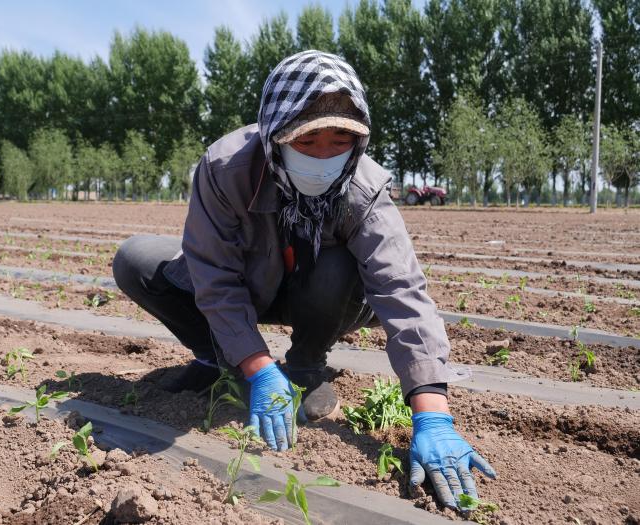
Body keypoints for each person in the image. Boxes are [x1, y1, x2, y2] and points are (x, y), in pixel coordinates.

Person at [112, 50, 496, 509]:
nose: (324, 155)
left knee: (339, 263)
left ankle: (306, 367)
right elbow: (213, 274)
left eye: (340, 140)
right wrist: (256, 367)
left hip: (323, 298)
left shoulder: (363, 186)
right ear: (277, 134)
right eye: (308, 140)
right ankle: (220, 360)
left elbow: (400, 288)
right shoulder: (225, 169)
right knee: (135, 259)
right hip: (251, 289)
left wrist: (432, 413)